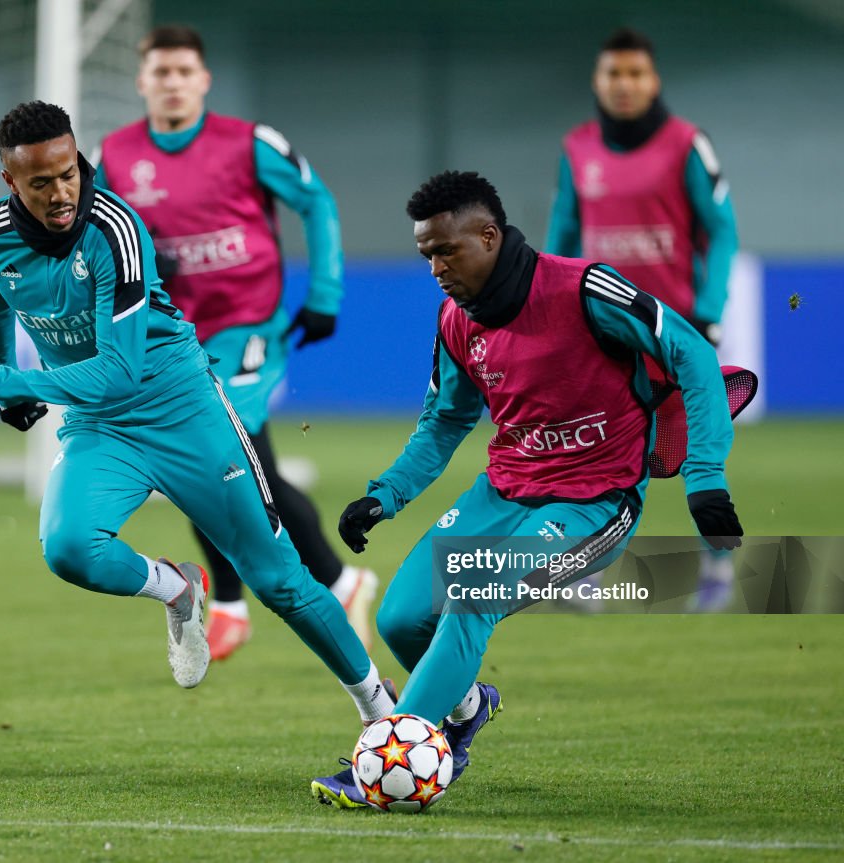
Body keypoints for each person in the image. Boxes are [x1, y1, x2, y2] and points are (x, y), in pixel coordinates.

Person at [0, 101, 396, 729]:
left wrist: (3, 377)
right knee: (69, 548)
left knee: (277, 580)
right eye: (41, 183)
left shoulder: (113, 228)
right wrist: (6, 377)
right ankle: (178, 589)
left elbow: (119, 371)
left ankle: (381, 710)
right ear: (10, 183)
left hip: (180, 407)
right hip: (100, 426)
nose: (63, 191)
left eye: (69, 172)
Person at [311, 170, 743, 808]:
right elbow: (446, 420)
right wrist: (388, 494)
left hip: (594, 504)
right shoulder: (456, 319)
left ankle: (386, 762)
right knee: (401, 619)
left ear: (488, 236)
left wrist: (705, 480)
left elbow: (691, 355)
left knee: (471, 597)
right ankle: (464, 711)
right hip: (504, 489)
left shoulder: (585, 290)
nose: (434, 266)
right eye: (425, 254)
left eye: (445, 250)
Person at [94, 24, 376, 660]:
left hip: (246, 325)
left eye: (183, 72)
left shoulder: (248, 143)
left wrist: (325, 293)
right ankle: (332, 582)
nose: (171, 83)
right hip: (173, 338)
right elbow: (104, 242)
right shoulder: (114, 155)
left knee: (211, 445)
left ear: (203, 80)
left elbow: (317, 201)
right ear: (142, 82)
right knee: (230, 462)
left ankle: (236, 600)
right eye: (160, 73)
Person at [545, 27, 740, 611]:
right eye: (613, 74)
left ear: (653, 80)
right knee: (596, 454)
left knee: (695, 449)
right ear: (597, 81)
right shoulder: (576, 148)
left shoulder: (686, 145)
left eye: (635, 74)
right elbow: (562, 235)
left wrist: (707, 313)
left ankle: (718, 564)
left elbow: (723, 230)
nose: (624, 85)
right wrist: (548, 305)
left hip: (673, 330)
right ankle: (584, 570)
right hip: (600, 331)